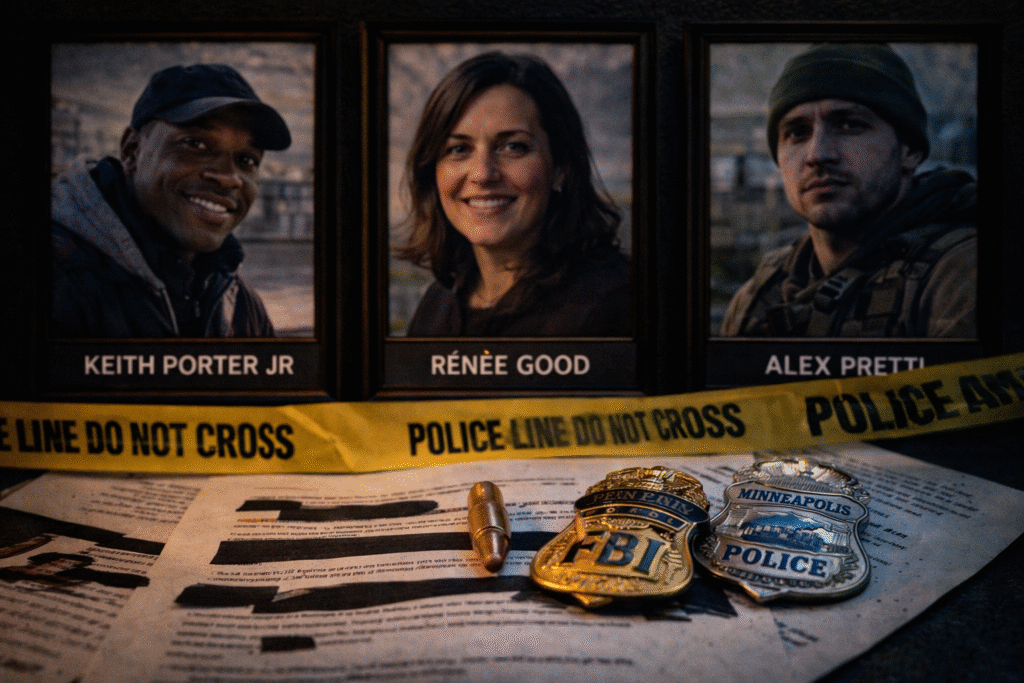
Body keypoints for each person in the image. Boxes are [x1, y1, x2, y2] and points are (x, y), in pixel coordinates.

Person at [720, 44, 977, 338]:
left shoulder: (962, 275)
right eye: (797, 132)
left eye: (849, 125)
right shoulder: (759, 295)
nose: (817, 154)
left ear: (910, 151)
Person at [395, 51, 631, 337]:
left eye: (513, 147)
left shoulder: (613, 305)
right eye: (459, 149)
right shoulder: (437, 306)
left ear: (561, 166)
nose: (482, 174)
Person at [51, 63, 292, 338]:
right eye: (196, 144)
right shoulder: (55, 279)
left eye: (246, 160)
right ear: (131, 151)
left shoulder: (240, 305)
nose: (228, 178)